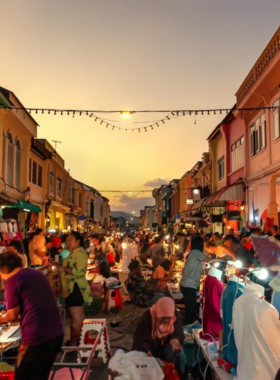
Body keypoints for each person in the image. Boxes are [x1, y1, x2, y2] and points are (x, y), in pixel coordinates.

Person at [0, 251, 64, 380]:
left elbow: (12, 315)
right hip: (56, 333)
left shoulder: (13, 280)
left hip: (37, 337)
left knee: (23, 376)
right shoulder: (37, 274)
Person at [132, 297, 185, 378]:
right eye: (162, 319)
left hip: (164, 346)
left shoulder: (174, 315)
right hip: (149, 347)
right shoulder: (147, 317)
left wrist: (175, 341)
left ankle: (175, 374)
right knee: (144, 364)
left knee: (177, 354)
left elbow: (177, 332)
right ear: (157, 314)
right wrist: (150, 357)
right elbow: (140, 341)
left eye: (168, 320)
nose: (165, 322)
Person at [57, 231, 92, 346]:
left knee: (76, 316)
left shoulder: (80, 254)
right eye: (67, 240)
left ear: (78, 241)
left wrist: (64, 269)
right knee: (77, 316)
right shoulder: (74, 253)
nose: (68, 242)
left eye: (71, 240)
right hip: (71, 287)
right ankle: (76, 341)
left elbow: (79, 272)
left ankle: (72, 344)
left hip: (75, 288)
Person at [180, 236, 208, 325]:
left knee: (192, 309)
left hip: (190, 284)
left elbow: (199, 269)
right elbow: (209, 260)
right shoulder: (196, 253)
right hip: (189, 285)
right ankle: (186, 329)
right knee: (191, 310)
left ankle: (187, 327)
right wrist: (224, 259)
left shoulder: (193, 253)